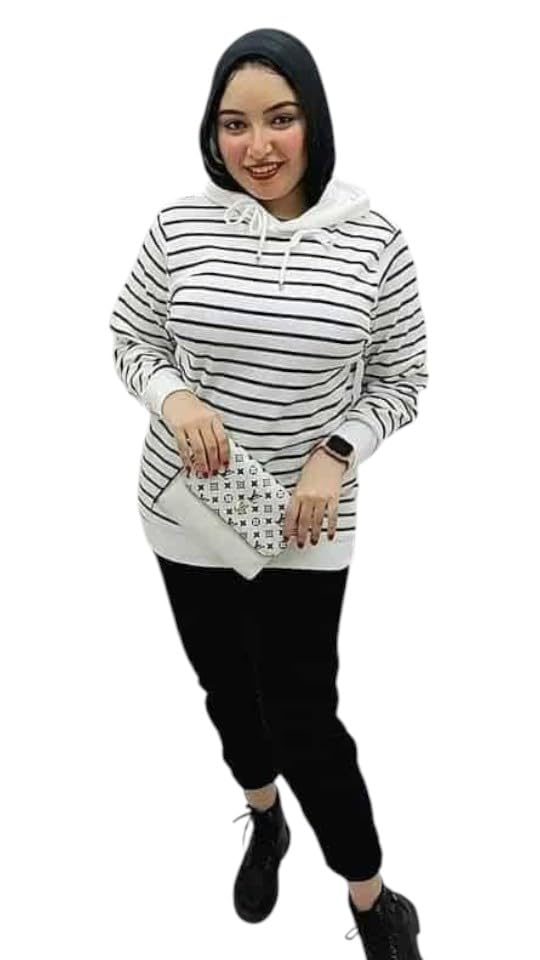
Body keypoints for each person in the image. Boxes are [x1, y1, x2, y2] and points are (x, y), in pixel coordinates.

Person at [108, 27, 428, 957]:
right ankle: (263, 815)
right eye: (234, 124)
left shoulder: (375, 242)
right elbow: (131, 335)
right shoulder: (179, 225)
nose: (257, 146)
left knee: (303, 717)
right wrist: (174, 396)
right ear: (212, 132)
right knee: (224, 687)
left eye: (280, 119)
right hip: (184, 513)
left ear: (313, 122)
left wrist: (337, 451)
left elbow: (403, 378)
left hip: (303, 525)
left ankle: (372, 898)